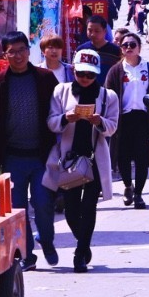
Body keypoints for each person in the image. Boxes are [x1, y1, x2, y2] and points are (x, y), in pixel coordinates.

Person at [0, 32, 59, 270]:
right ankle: (28, 255)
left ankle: (46, 241)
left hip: (41, 157)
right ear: (4, 55)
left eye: (21, 50)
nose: (18, 56)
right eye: (12, 52)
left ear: (29, 50)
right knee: (18, 209)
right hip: (13, 157)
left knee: (43, 204)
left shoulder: (46, 79)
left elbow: (58, 112)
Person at [47, 49, 120, 272]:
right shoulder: (62, 91)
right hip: (69, 160)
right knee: (70, 209)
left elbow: (112, 127)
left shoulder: (108, 96)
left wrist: (99, 122)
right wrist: (64, 119)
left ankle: (80, 254)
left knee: (89, 207)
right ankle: (84, 243)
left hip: (94, 159)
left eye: (90, 75)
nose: (85, 79)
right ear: (74, 71)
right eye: (81, 74)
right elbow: (51, 121)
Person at [105, 30, 149, 209]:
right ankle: (127, 186)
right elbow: (108, 95)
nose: (129, 48)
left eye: (133, 45)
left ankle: (138, 193)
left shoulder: (148, 67)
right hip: (123, 119)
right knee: (122, 157)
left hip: (143, 119)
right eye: (125, 45)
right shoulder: (116, 70)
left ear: (139, 47)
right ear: (121, 49)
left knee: (142, 158)